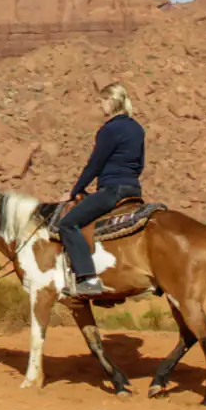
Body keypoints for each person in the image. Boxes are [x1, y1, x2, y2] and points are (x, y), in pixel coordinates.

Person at [56, 82, 146, 298]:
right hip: (133, 190)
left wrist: (75, 191)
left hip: (112, 190)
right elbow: (140, 164)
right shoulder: (138, 129)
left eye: (102, 101)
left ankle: (88, 279)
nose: (100, 106)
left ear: (112, 101)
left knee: (67, 223)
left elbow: (94, 165)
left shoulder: (109, 130)